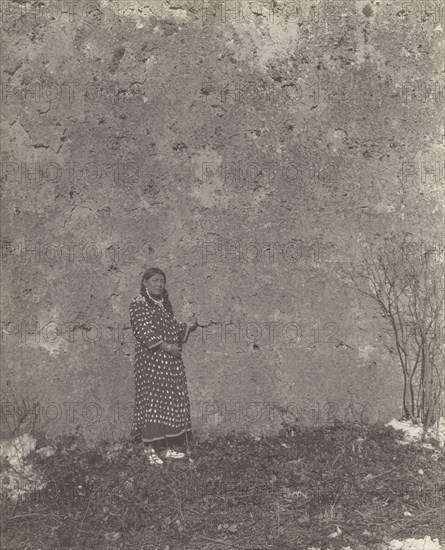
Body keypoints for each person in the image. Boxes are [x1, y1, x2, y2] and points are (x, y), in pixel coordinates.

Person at [129, 267, 197, 465]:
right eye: (155, 280)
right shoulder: (139, 303)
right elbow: (143, 332)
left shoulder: (163, 305)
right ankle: (149, 450)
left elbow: (172, 328)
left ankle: (164, 448)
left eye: (162, 281)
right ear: (145, 283)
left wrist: (188, 325)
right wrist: (168, 347)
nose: (159, 284)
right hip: (150, 362)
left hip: (168, 364)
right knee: (151, 403)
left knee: (166, 403)